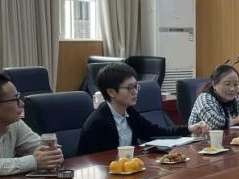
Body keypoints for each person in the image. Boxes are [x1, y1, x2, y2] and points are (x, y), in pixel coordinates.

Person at [78, 62, 207, 155]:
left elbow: (155, 131)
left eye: (136, 86)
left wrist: (190, 128)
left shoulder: (129, 112)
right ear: (111, 92)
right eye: (129, 88)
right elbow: (99, 160)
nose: (135, 92)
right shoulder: (98, 122)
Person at [188, 64, 239, 130]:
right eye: (227, 84)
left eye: (236, 84)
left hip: (227, 138)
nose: (232, 89)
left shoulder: (236, 99)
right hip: (201, 140)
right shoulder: (204, 98)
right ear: (214, 85)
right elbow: (213, 122)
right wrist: (237, 120)